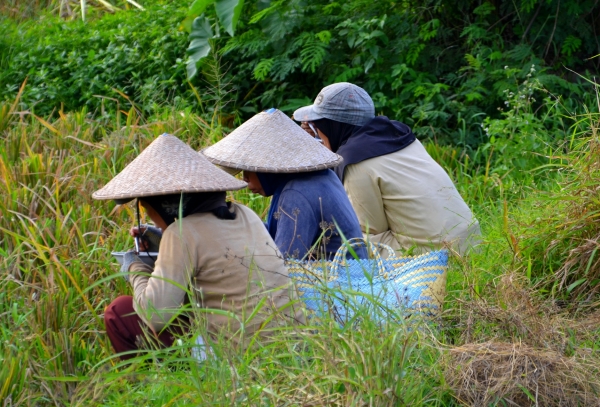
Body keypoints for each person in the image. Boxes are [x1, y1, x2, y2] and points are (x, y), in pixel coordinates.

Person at [93, 133, 303, 361]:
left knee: (120, 311)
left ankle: (157, 387)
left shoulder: (181, 233)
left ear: (166, 207)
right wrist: (162, 241)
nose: (152, 220)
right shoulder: (245, 214)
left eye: (148, 210)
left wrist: (135, 266)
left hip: (240, 360)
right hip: (292, 347)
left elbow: (156, 316)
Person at [293, 82, 481, 255]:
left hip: (435, 256)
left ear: (332, 125)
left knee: (344, 240)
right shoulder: (398, 136)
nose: (316, 133)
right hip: (472, 245)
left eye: (317, 126)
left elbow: (370, 231)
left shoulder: (356, 162)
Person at [202, 108, 366, 260]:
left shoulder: (296, 193)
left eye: (248, 169)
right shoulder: (320, 175)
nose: (244, 179)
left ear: (267, 166)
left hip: (339, 283)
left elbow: (285, 265)